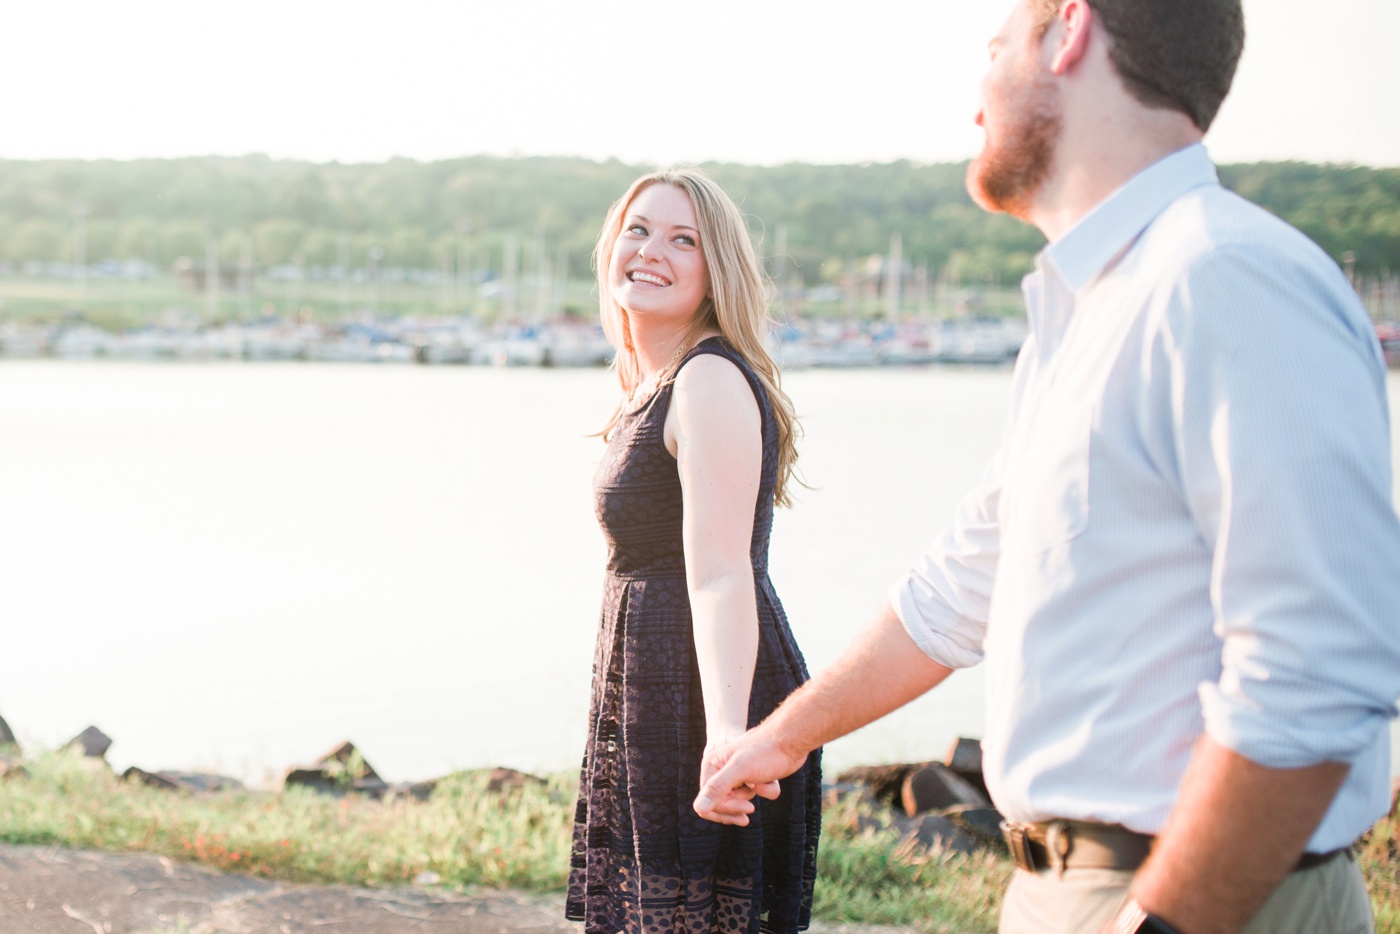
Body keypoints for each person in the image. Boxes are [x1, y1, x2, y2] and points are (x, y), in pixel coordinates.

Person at [693, 2, 1400, 933]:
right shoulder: (1091, 313)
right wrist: (777, 738)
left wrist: (1161, 921)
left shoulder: (1224, 279)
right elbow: (956, 593)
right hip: (1065, 889)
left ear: (1069, 31)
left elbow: (1318, 673)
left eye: (994, 49)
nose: (974, 98)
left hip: (1206, 898)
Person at [566, 168, 822, 934]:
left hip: (701, 699)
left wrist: (728, 735)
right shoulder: (653, 381)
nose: (651, 250)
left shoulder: (706, 380)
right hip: (652, 688)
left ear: (718, 273)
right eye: (638, 229)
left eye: (685, 239)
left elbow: (718, 573)